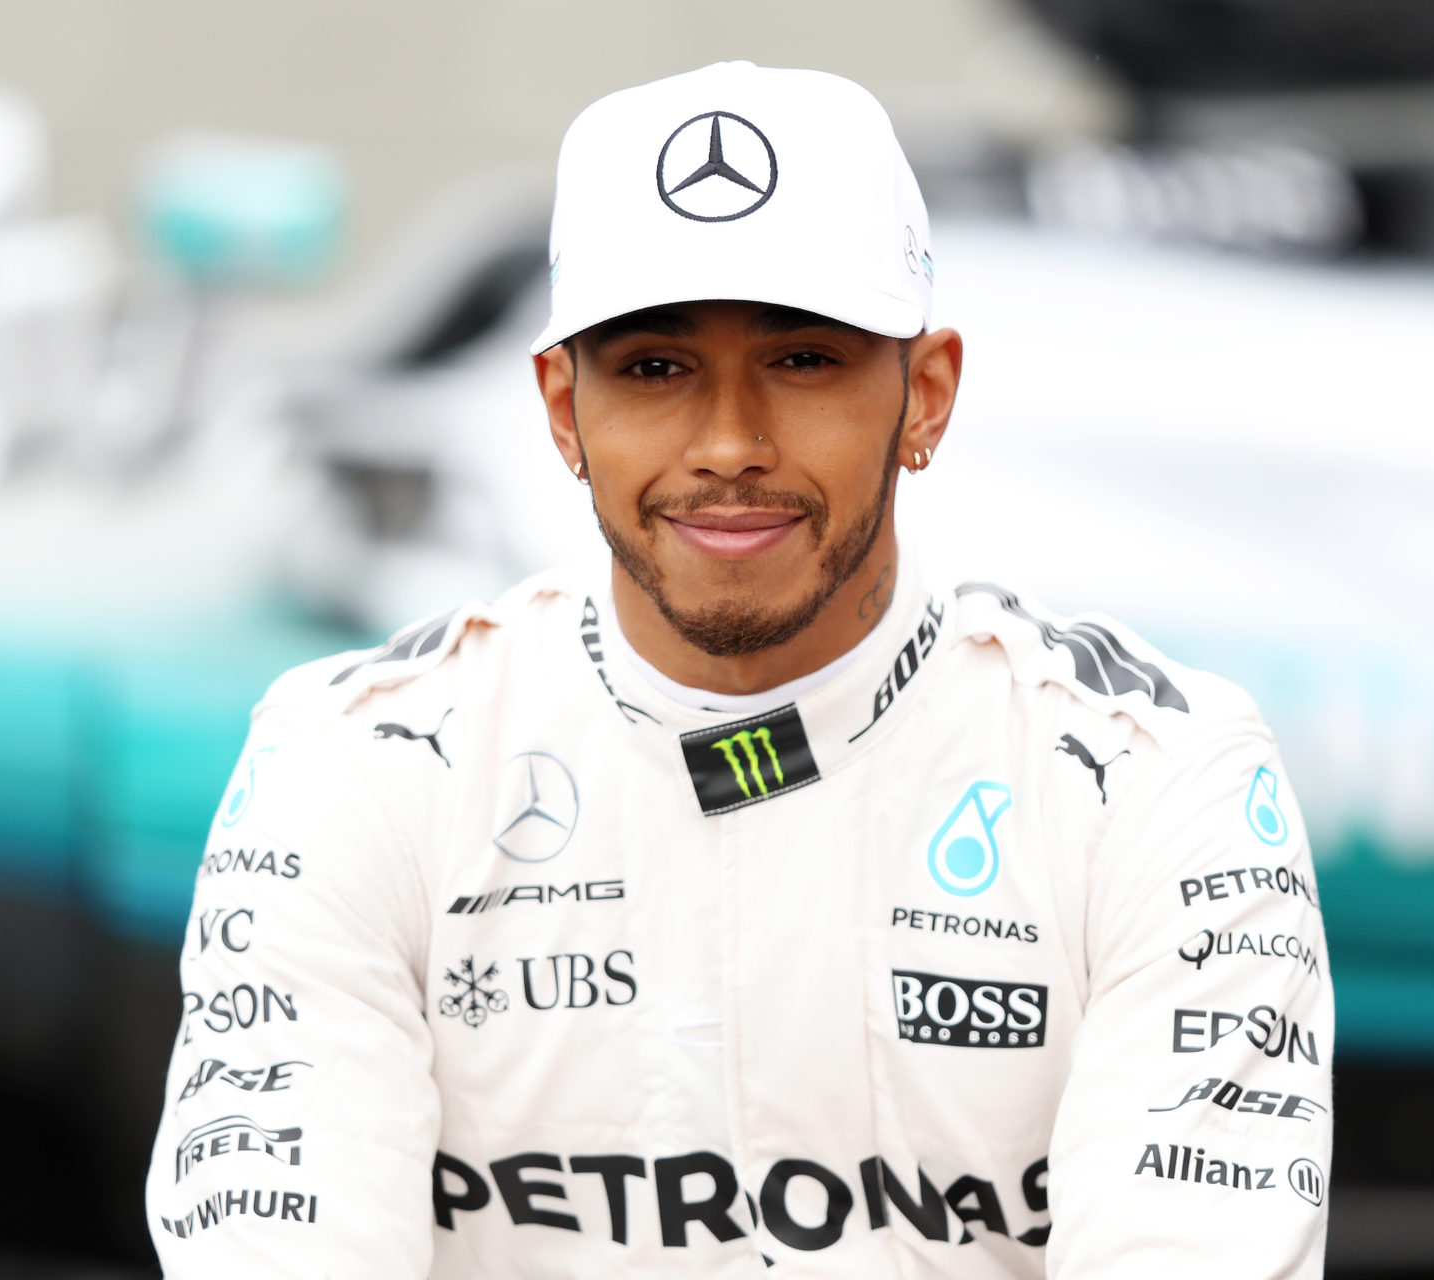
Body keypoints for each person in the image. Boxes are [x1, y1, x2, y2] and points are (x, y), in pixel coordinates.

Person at [145, 60, 1333, 1278]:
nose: (728, 445)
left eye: (803, 360)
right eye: (656, 367)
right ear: (562, 408)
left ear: (926, 395)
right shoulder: (354, 767)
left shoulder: (1154, 783)